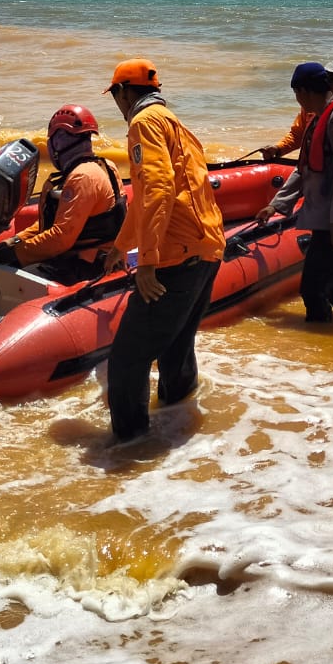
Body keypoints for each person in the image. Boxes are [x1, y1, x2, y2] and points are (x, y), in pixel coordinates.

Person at [101, 58, 226, 442]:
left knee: (126, 359)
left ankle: (129, 446)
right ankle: (178, 416)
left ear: (124, 92)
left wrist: (148, 262)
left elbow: (157, 189)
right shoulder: (174, 123)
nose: (117, 105)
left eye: (116, 96)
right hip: (207, 248)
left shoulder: (143, 123)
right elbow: (149, 196)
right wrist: (122, 246)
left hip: (178, 255)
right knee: (175, 344)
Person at [255, 61, 333, 321]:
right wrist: (277, 204)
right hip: (331, 218)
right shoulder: (318, 118)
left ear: (303, 91)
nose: (297, 100)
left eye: (296, 94)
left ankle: (322, 346)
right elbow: (304, 168)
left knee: (313, 289)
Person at [0, 105, 126, 284]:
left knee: (8, 277)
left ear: (59, 141)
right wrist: (16, 240)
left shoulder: (81, 177)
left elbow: (61, 238)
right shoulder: (105, 165)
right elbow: (55, 223)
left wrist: (16, 253)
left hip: (87, 265)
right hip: (97, 257)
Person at [258, 60, 333, 161]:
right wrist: (278, 149)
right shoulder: (310, 109)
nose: (327, 83)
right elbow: (297, 135)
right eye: (325, 79)